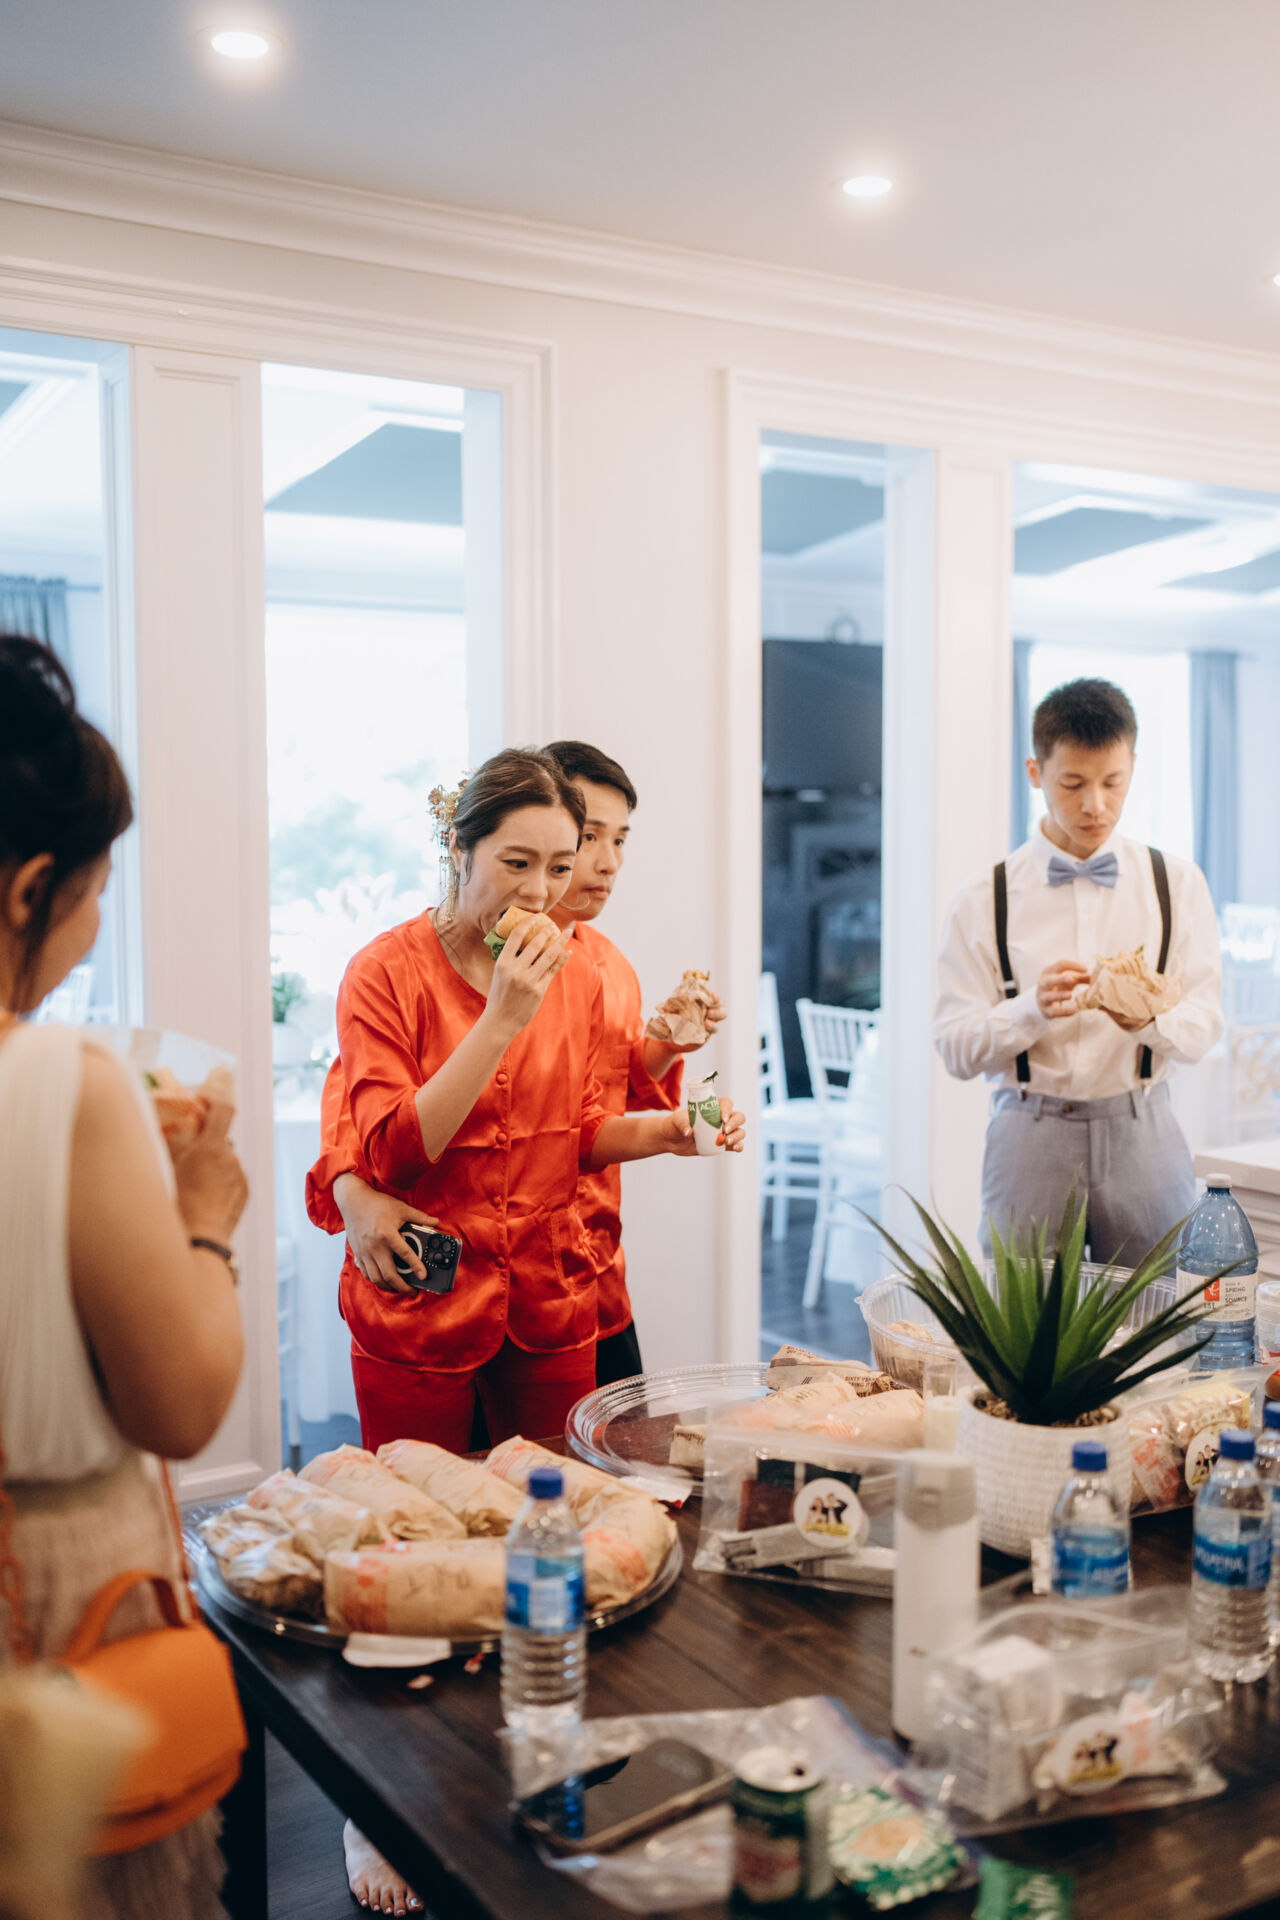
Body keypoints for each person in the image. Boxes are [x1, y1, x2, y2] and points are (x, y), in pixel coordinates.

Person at [0, 636, 248, 1920]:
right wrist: (200, 1217)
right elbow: (181, 1406)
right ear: (29, 889)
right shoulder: (63, 1079)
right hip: (52, 1604)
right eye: (95, 892)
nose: (92, 927)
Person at [306, 746, 744, 1456]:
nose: (542, 892)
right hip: (424, 1291)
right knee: (424, 1503)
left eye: (560, 865)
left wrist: (669, 1130)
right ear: (459, 848)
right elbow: (383, 1142)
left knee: (561, 1493)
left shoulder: (584, 970)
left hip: (552, 1294)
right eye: (519, 863)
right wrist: (501, 1019)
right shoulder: (385, 971)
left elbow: (583, 1126)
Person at [934, 676, 1223, 1263]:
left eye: (1113, 782)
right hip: (1029, 1132)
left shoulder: (1177, 884)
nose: (1096, 805)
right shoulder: (982, 899)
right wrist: (1030, 1009)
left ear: (1134, 767)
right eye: (1073, 784)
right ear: (1035, 772)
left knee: (1159, 1311)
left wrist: (1147, 1019)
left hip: (1145, 1127)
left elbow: (1205, 1028)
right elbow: (954, 1049)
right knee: (1026, 1318)